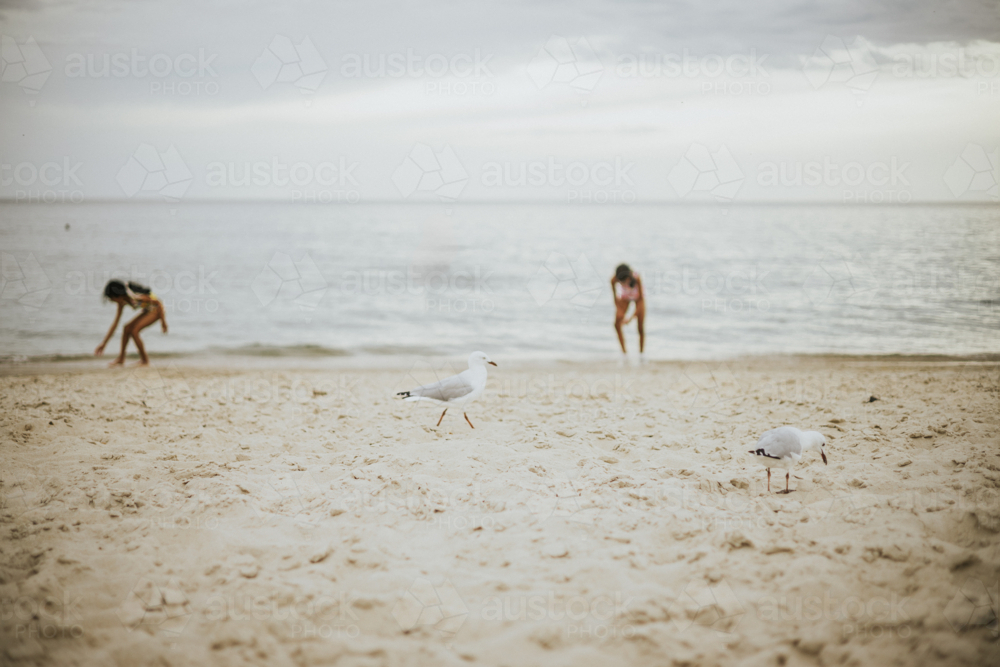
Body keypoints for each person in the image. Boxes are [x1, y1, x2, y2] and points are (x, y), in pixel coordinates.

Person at [94, 280, 167, 367]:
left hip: (158, 310)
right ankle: (121, 359)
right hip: (148, 309)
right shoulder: (122, 301)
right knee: (126, 328)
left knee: (134, 331)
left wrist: (163, 322)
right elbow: (115, 324)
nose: (111, 301)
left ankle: (144, 360)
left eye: (112, 298)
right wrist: (104, 343)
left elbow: (158, 303)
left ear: (118, 296)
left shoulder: (134, 296)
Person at [611, 263, 644, 363]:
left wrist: (630, 318)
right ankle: (624, 353)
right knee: (616, 324)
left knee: (640, 328)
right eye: (621, 282)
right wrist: (620, 312)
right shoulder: (613, 280)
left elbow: (640, 300)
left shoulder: (636, 278)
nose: (623, 283)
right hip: (625, 297)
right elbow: (615, 298)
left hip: (638, 297)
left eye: (625, 281)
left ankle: (641, 354)